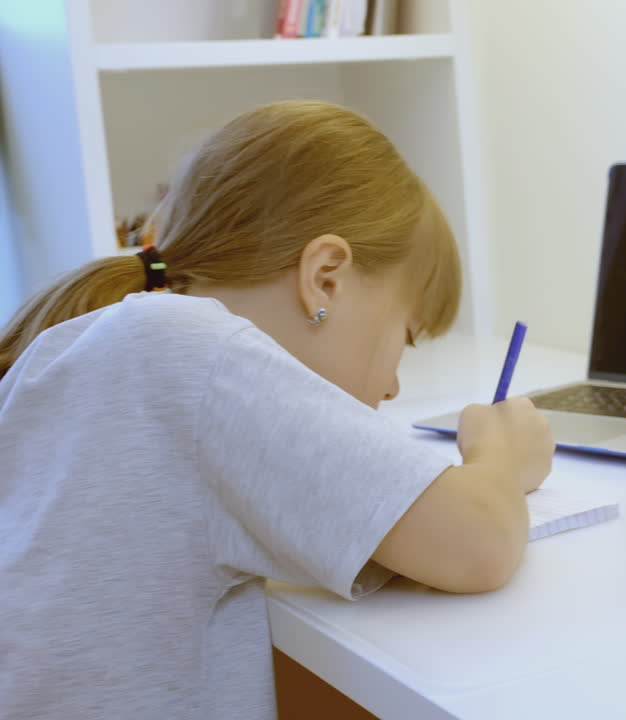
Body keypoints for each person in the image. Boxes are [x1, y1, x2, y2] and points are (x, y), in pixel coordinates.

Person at [0, 100, 554, 719]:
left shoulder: (82, 351)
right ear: (324, 279)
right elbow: (475, 543)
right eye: (404, 338)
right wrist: (500, 453)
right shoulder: (196, 356)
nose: (395, 385)